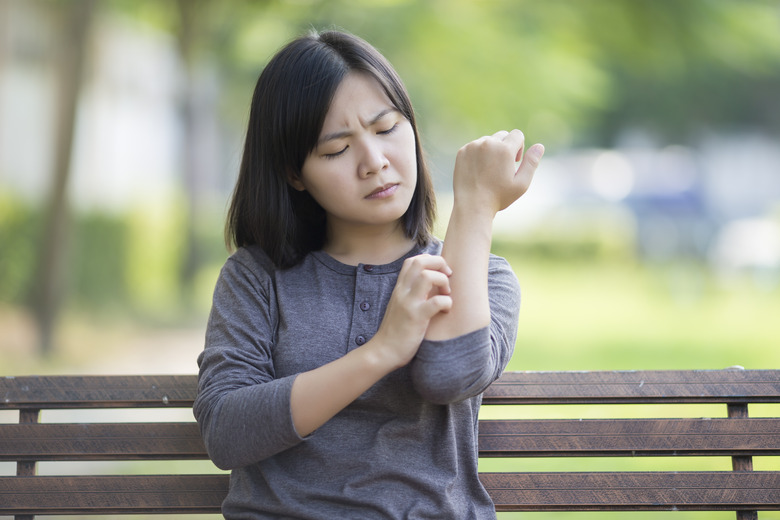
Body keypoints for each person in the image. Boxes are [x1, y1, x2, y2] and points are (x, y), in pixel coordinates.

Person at [193, 29, 544, 519]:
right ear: (294, 173)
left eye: (386, 129)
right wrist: (380, 351)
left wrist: (476, 207)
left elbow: (448, 375)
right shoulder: (256, 277)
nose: (374, 162)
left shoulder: (488, 279)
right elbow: (226, 433)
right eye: (336, 150)